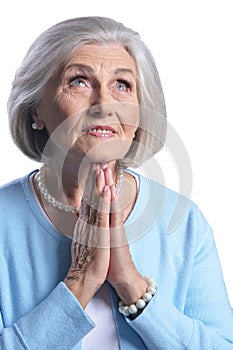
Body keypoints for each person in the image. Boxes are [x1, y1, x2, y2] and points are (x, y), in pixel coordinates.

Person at [0, 16, 232, 350]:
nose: (104, 105)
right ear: (36, 109)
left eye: (121, 85)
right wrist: (78, 285)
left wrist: (133, 286)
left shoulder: (182, 223)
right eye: (79, 81)